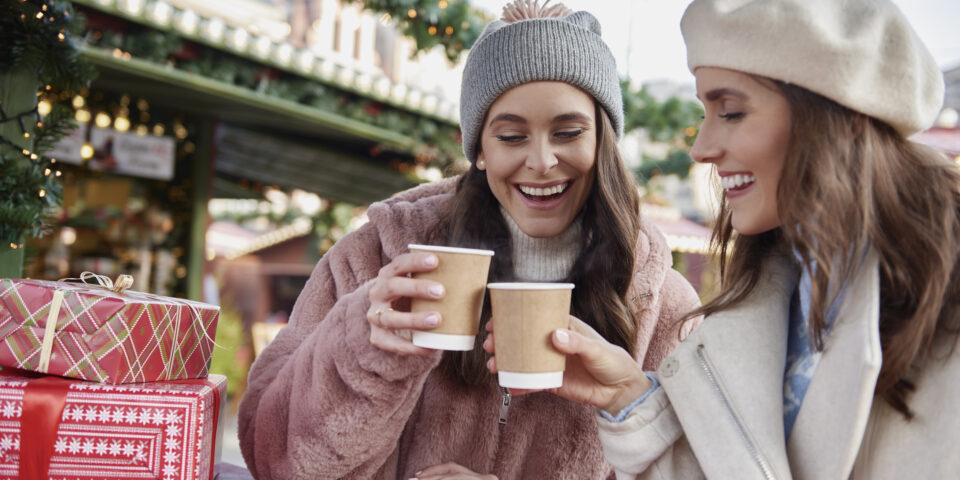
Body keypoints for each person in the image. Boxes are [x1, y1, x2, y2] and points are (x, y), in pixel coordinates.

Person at [484, 0, 960, 478]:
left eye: (730, 112)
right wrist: (626, 396)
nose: (701, 148)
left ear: (846, 115)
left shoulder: (943, 299)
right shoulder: (772, 294)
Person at [236, 1, 700, 478]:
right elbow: (271, 457)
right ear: (478, 147)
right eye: (511, 137)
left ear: (602, 141)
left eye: (567, 132)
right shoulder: (375, 258)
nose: (541, 161)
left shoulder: (661, 304)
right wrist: (363, 347)